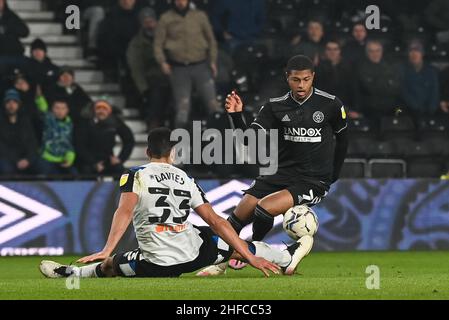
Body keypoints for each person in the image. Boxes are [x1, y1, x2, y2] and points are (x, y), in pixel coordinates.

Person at [39, 128, 307, 279]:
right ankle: (284, 256)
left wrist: (107, 247)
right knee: (225, 242)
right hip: (193, 256)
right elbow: (217, 221)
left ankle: (70, 274)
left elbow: (124, 211)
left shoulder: (134, 175)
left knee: (110, 265)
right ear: (173, 153)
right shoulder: (186, 178)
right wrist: (251, 258)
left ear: (147, 153)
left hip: (156, 264)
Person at [198, 55, 348, 276]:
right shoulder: (275, 106)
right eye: (296, 80)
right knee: (239, 215)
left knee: (264, 208)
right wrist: (237, 116)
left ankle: (254, 250)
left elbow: (343, 139)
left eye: (306, 79)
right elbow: (249, 139)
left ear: (313, 77)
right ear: (287, 77)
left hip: (313, 179)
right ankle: (220, 263)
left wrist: (333, 175)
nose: (301, 85)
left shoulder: (331, 104)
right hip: (280, 173)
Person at [154, 0, 219, 127]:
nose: (180, 2)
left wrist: (212, 60)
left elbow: (211, 40)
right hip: (179, 68)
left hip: (200, 65)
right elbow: (158, 44)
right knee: (182, 108)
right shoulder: (166, 18)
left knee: (212, 104)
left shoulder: (199, 16)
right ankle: (180, 141)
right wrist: (162, 62)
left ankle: (222, 137)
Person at [127, 7, 170, 129]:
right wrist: (143, 88)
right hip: (151, 78)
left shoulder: (167, 37)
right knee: (156, 94)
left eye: (151, 21)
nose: (149, 25)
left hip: (172, 75)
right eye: (146, 22)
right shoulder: (136, 43)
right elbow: (136, 68)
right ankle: (154, 123)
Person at [76, 100, 135, 176]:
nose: (101, 111)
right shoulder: (85, 123)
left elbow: (129, 140)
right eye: (98, 108)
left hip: (108, 160)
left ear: (109, 111)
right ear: (93, 111)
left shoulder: (115, 122)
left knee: (121, 172)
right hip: (88, 161)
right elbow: (80, 145)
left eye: (104, 109)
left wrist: (120, 158)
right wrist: (94, 163)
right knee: (85, 171)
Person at [354, 40, 401, 120]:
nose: (375, 54)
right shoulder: (361, 68)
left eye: (377, 51)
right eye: (371, 51)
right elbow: (369, 89)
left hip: (390, 108)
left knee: (400, 113)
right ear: (367, 53)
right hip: (370, 110)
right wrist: (386, 83)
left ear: (382, 51)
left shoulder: (390, 67)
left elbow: (396, 89)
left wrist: (376, 82)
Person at [0, 89, 38, 175]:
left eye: (14, 102)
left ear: (19, 104)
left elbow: (32, 142)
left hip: (26, 158)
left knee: (41, 166)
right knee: (6, 169)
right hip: (6, 158)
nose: (11, 105)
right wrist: (16, 160)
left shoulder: (25, 121)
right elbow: (2, 147)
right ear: (4, 105)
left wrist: (28, 159)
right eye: (8, 102)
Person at [35, 99, 77, 176]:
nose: (60, 111)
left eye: (63, 108)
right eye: (57, 108)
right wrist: (39, 97)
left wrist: (70, 157)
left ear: (67, 110)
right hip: (46, 158)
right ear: (52, 109)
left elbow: (71, 143)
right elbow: (42, 108)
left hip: (63, 159)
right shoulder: (48, 119)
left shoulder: (70, 124)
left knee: (74, 175)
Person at [400, 41, 440, 117]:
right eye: (411, 51)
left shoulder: (432, 71)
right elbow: (403, 92)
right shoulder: (402, 70)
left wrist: (431, 110)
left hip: (429, 111)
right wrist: (416, 107)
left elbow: (435, 93)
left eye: (417, 50)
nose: (414, 54)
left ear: (422, 53)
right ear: (408, 54)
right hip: (408, 111)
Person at [315, 40, 353, 109]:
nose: (332, 52)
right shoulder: (318, 69)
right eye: (329, 49)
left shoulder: (348, 68)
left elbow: (352, 90)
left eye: (335, 49)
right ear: (325, 51)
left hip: (345, 106)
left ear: (340, 51)